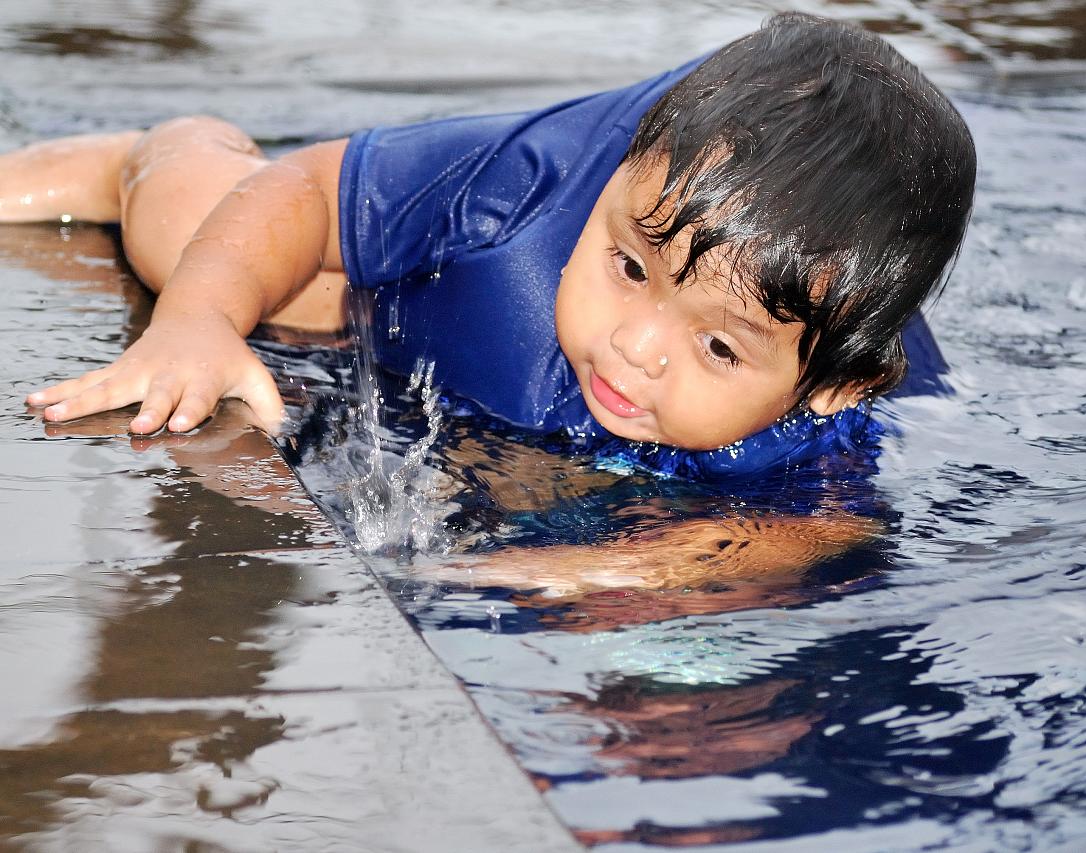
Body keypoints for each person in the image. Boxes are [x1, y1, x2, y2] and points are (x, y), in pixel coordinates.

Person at [8, 13, 974, 586]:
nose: (637, 346)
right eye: (629, 272)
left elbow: (826, 529)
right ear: (621, 180)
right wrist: (196, 323)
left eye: (719, 350)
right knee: (193, 231)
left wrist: (621, 567)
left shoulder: (835, 378)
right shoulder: (526, 186)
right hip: (442, 279)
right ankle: (154, 149)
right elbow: (309, 190)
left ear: (832, 391)